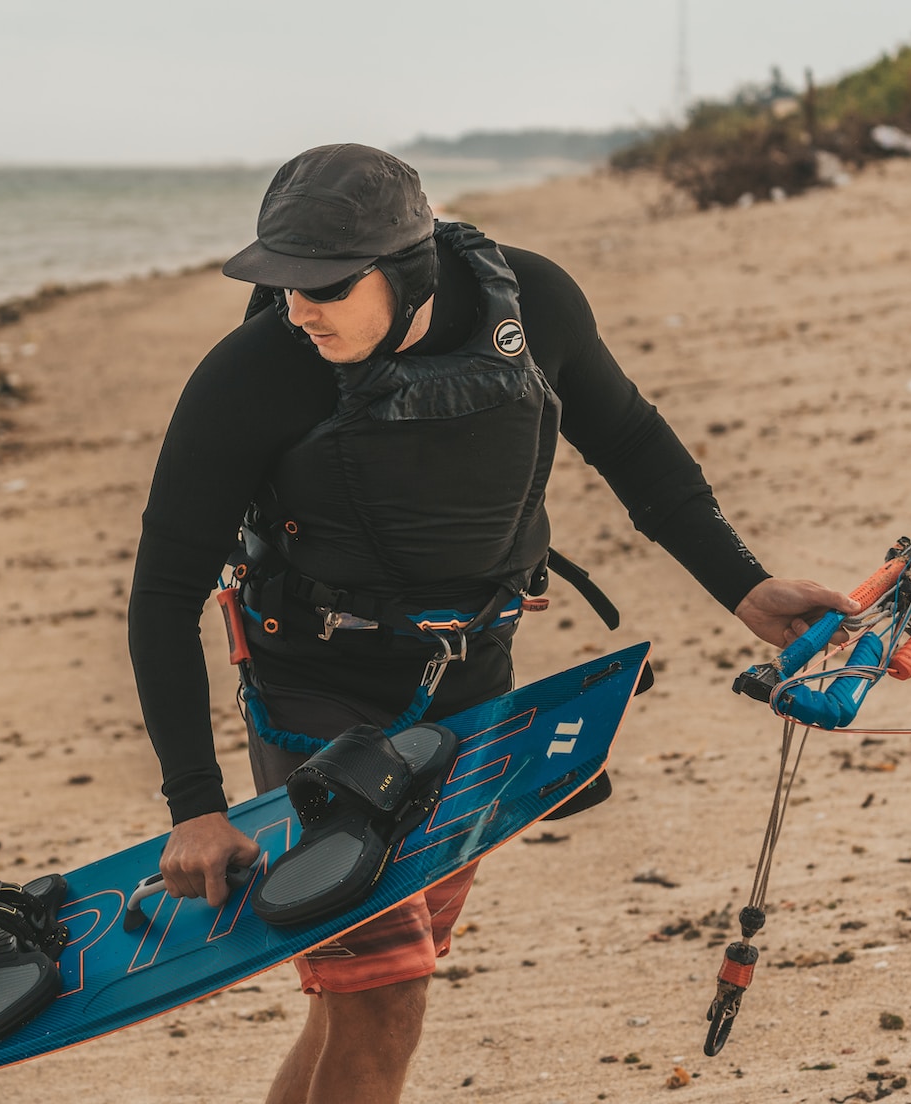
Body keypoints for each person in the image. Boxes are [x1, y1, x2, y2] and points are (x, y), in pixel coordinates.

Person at [128, 143, 856, 1103]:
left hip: (474, 699)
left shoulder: (537, 307)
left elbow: (635, 447)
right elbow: (164, 589)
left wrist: (746, 588)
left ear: (407, 266)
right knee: (384, 1001)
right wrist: (196, 805)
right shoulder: (257, 371)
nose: (297, 309)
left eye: (325, 287)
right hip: (315, 701)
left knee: (359, 1002)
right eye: (279, 281)